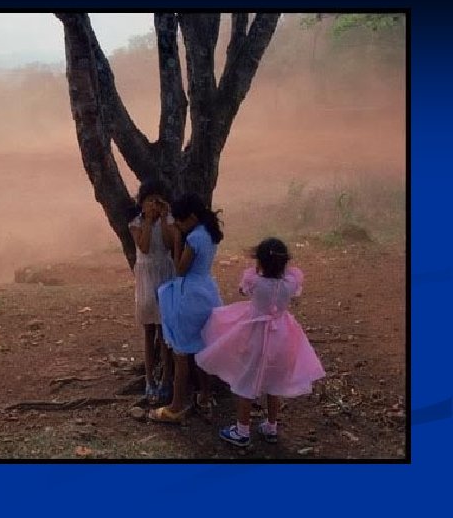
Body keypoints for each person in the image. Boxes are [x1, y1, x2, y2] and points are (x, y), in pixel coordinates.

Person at [195, 237, 326, 447]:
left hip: (255, 334)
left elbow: (243, 290)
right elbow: (293, 288)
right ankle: (271, 426)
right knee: (275, 383)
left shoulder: (254, 281)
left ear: (260, 262)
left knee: (246, 381)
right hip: (282, 336)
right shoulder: (290, 283)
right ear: (285, 263)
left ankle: (242, 431)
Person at [149, 193, 224, 422]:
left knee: (181, 354)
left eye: (181, 222)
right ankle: (205, 396)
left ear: (191, 217)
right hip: (207, 291)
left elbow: (180, 269)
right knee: (201, 348)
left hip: (189, 295)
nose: (179, 225)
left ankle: (176, 406)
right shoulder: (209, 233)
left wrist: (178, 238)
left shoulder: (193, 238)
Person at [128, 180, 177, 403]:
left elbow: (168, 244)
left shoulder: (169, 220)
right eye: (149, 201)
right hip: (147, 277)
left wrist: (164, 218)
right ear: (142, 202)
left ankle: (167, 379)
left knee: (165, 331)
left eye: (157, 201)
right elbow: (144, 246)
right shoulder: (136, 223)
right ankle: (149, 380)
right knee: (149, 331)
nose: (153, 205)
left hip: (165, 274)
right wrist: (148, 219)